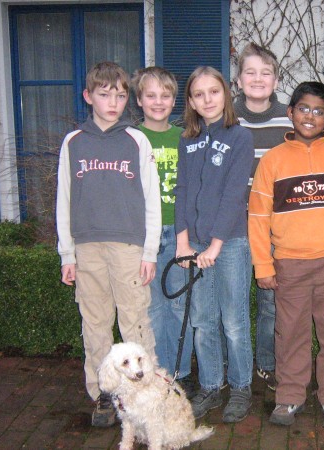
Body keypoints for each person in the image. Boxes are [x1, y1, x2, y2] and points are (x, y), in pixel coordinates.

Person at [249, 81, 324, 429]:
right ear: (290, 112)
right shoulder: (272, 161)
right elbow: (258, 217)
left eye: (319, 112)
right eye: (303, 108)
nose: (310, 116)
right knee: (290, 333)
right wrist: (263, 264)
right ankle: (289, 395)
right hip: (289, 263)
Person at [56, 61, 161, 427]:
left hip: (128, 247)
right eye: (104, 95)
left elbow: (152, 199)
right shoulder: (73, 143)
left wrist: (149, 251)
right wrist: (67, 253)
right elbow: (64, 200)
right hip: (87, 248)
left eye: (119, 96)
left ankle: (145, 391)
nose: (113, 103)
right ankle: (103, 393)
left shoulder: (136, 140)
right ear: (89, 97)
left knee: (135, 321)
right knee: (96, 323)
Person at [174, 66, 254, 423]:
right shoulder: (187, 140)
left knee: (233, 320)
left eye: (214, 91)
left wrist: (216, 247)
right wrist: (183, 243)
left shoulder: (240, 136)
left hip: (230, 243)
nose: (207, 99)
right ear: (191, 101)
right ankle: (210, 385)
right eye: (199, 94)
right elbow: (182, 191)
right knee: (203, 320)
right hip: (194, 243)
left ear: (226, 94)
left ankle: (240, 386)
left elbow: (235, 194)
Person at [130, 66, 196, 398]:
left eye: (165, 96)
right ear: (139, 100)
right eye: (151, 95)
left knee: (178, 305)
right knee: (152, 308)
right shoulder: (131, 139)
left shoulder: (185, 138)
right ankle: (158, 372)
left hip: (179, 231)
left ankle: (181, 372)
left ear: (174, 100)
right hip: (144, 236)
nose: (158, 102)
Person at [234, 42, 292, 391]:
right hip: (231, 227)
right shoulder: (224, 117)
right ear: (239, 79)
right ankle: (233, 368)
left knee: (272, 304)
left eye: (265, 73)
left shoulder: (291, 118)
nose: (258, 79)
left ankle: (267, 365)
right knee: (233, 305)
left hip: (275, 228)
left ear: (276, 79)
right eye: (250, 72)